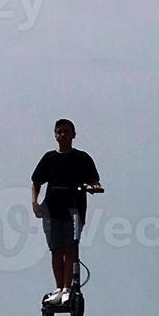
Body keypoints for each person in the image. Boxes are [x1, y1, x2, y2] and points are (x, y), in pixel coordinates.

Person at [30, 119, 102, 305]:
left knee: (70, 247)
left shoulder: (82, 158)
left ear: (73, 134)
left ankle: (68, 287)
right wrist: (34, 202)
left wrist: (95, 186)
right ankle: (59, 287)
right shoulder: (49, 158)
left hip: (74, 208)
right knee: (56, 250)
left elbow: (94, 179)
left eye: (67, 132)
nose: (63, 135)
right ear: (55, 135)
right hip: (52, 209)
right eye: (60, 132)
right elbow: (36, 182)